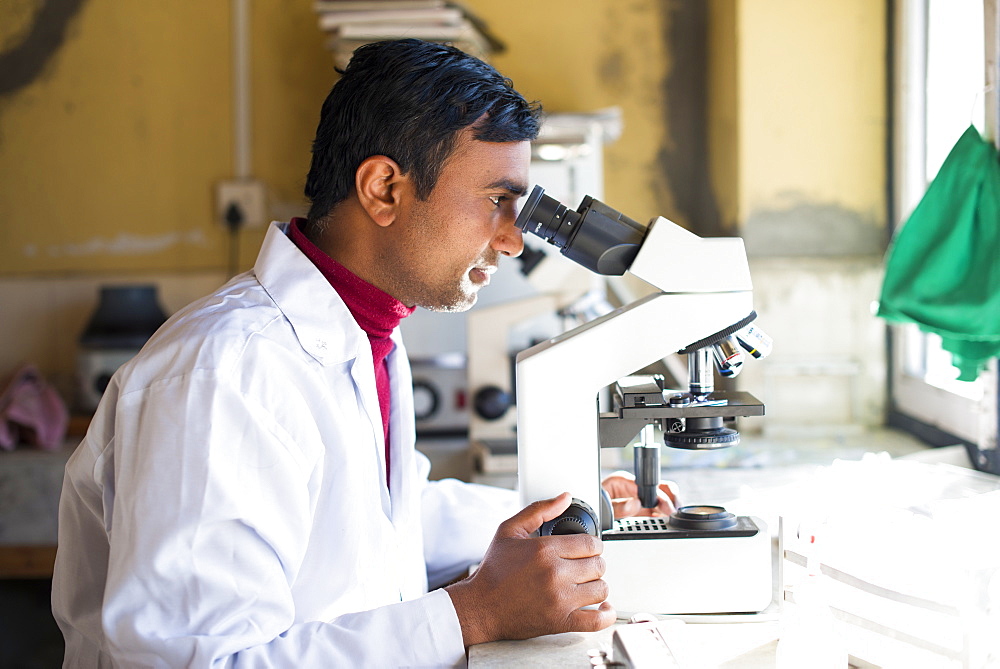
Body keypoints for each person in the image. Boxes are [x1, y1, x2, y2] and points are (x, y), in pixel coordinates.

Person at [52, 38, 677, 667]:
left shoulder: (363, 338)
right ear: (383, 188)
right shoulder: (224, 376)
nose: (514, 241)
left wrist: (565, 515)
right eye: (496, 200)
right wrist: (473, 613)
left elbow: (384, 526)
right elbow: (199, 662)